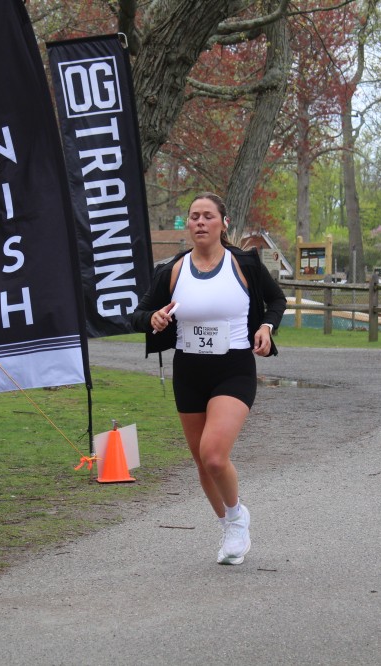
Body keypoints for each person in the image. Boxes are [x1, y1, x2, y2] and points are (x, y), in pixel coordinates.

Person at [130, 192, 286, 565]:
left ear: (223, 223)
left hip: (233, 368)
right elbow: (139, 314)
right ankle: (228, 525)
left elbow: (277, 300)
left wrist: (266, 327)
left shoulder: (244, 264)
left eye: (208, 216)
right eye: (194, 216)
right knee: (201, 462)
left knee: (214, 456)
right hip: (189, 371)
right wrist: (153, 319)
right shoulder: (173, 270)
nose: (200, 222)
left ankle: (237, 517)